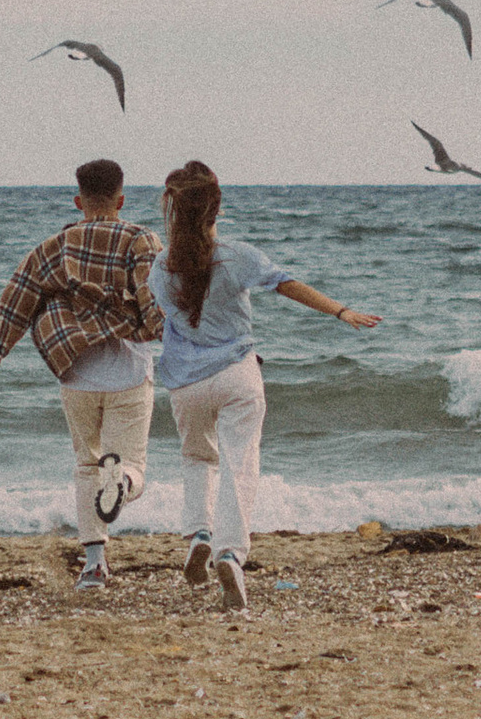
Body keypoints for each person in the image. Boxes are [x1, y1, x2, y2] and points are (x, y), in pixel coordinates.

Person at [150, 158, 380, 616]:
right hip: (237, 374)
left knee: (198, 458)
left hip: (186, 384)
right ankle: (230, 554)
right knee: (240, 466)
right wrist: (339, 311)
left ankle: (198, 532)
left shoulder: (160, 266)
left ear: (173, 210)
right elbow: (287, 285)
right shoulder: (238, 256)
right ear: (216, 208)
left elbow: (164, 319)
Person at [0, 157, 162, 594]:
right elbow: (154, 303)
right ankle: (123, 484)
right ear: (122, 199)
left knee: (87, 465)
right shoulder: (141, 240)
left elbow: (13, 307)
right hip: (128, 370)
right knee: (131, 464)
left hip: (75, 372)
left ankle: (93, 567)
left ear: (78, 201)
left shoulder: (54, 248)